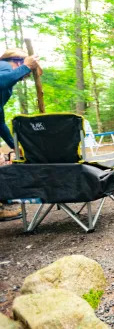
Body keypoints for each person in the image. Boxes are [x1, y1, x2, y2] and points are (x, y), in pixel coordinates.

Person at [0, 48, 40, 221]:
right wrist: (25, 67)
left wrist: (14, 145)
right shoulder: (3, 67)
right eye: (28, 73)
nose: (26, 77)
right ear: (18, 62)